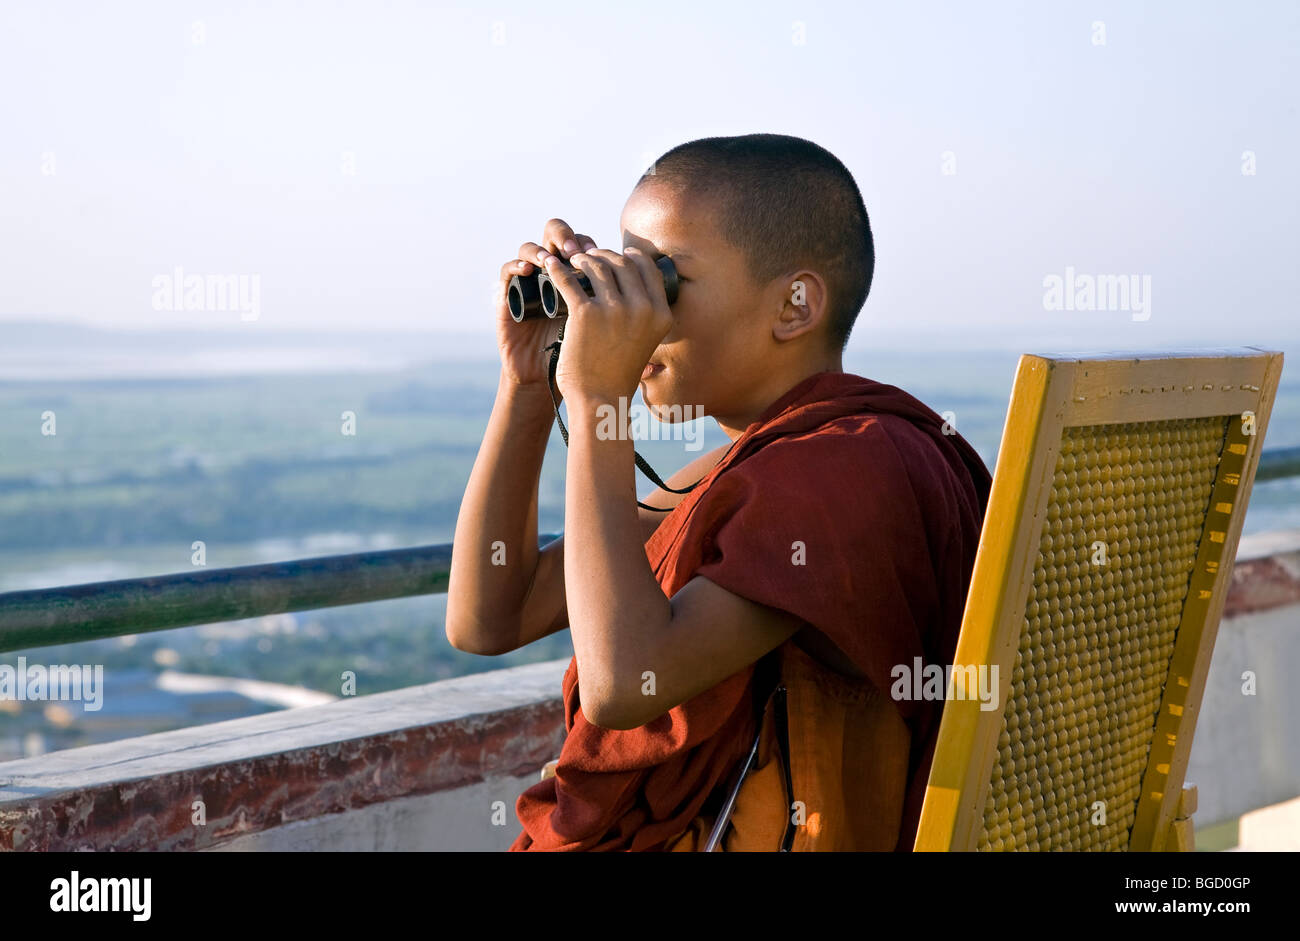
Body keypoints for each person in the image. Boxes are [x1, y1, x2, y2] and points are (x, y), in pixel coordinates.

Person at [445, 133, 991, 852]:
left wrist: (599, 394)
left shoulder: (846, 469)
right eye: (621, 274)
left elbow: (625, 681)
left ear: (794, 305)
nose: (633, 310)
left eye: (663, 277)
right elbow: (489, 618)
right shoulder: (737, 473)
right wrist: (526, 384)